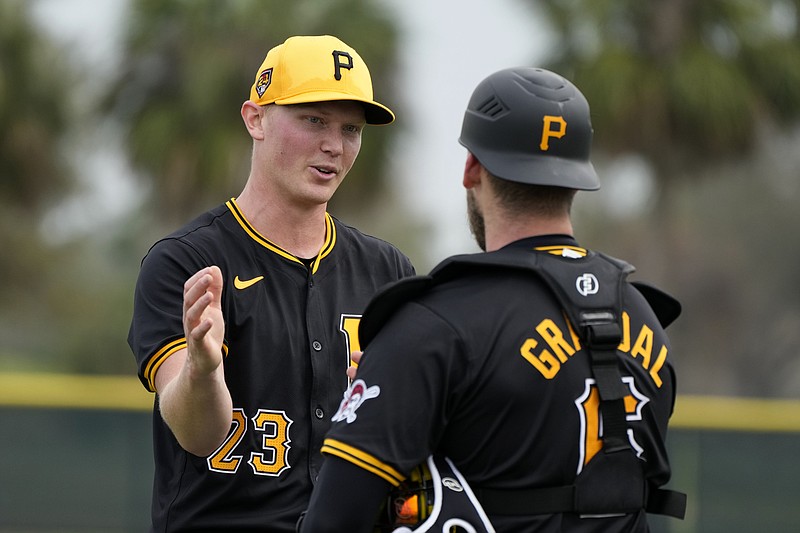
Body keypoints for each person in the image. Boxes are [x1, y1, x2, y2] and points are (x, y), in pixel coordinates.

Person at [298, 67, 686, 532]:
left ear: (472, 168)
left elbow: (332, 520)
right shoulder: (644, 317)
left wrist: (399, 383)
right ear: (576, 178)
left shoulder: (435, 325)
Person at [127, 35, 415, 532]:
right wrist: (202, 370)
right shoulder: (186, 261)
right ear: (255, 118)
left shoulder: (388, 272)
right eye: (314, 120)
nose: (334, 145)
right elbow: (197, 434)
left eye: (351, 128)